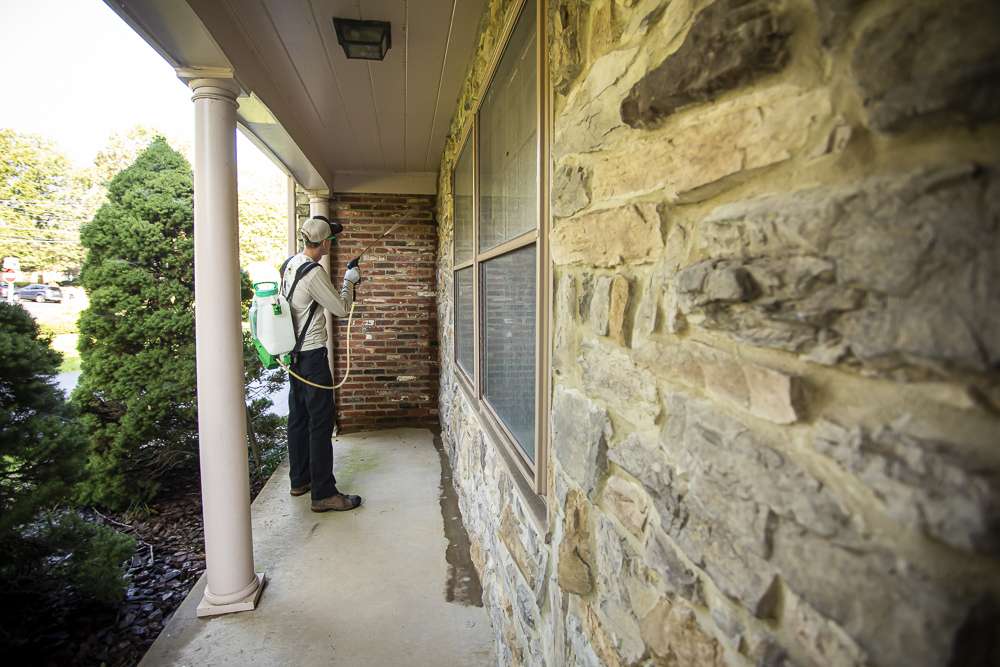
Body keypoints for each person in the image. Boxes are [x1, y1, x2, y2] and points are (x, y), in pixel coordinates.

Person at [280, 215, 362, 512]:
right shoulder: (313, 273)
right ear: (324, 243)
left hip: (293, 356)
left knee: (298, 417)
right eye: (332, 239)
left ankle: (300, 480)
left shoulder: (290, 264)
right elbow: (341, 308)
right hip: (312, 357)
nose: (332, 243)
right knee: (321, 422)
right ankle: (324, 493)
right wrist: (349, 282)